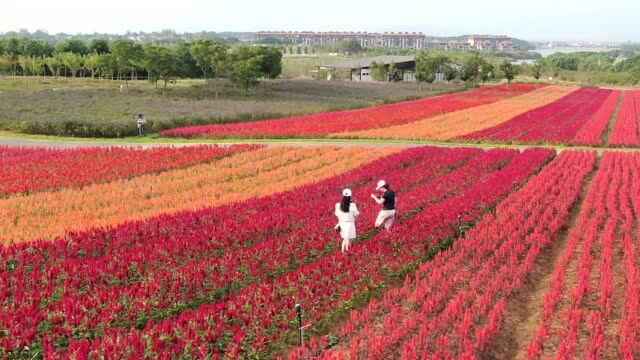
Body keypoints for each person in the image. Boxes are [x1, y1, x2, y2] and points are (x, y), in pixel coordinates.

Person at [334, 188, 359, 253]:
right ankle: (347, 251)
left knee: (346, 238)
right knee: (348, 239)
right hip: (350, 224)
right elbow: (356, 214)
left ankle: (343, 251)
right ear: (350, 196)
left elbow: (337, 214)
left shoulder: (337, 205)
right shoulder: (353, 205)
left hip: (342, 224)